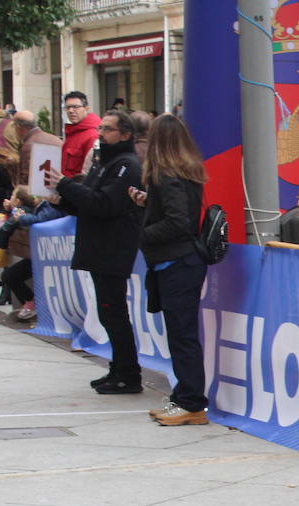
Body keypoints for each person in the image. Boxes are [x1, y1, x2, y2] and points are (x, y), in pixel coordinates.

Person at [49, 110, 143, 394]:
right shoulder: (105, 162)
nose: (101, 134)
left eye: (108, 129)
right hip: (99, 248)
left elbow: (106, 204)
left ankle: (128, 374)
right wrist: (62, 199)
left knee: (114, 313)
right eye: (101, 128)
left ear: (125, 135)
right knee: (108, 314)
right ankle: (118, 368)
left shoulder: (127, 164)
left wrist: (66, 185)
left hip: (113, 249)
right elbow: (87, 202)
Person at [130, 114, 211, 426]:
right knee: (181, 335)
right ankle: (184, 397)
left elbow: (178, 221)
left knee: (182, 336)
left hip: (177, 261)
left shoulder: (167, 174)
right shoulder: (184, 172)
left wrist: (145, 233)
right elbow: (178, 212)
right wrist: (147, 204)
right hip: (180, 261)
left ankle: (191, 402)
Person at [0, 185, 62, 322]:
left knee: (10, 275)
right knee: (9, 275)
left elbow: (38, 220)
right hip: (39, 254)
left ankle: (34, 306)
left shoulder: (48, 206)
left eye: (13, 197)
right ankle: (31, 303)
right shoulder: (41, 206)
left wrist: (16, 213)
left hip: (51, 254)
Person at [10, 110, 61, 188]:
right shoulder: (56, 139)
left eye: (13, 126)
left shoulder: (28, 147)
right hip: (58, 191)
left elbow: (26, 180)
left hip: (39, 194)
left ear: (18, 127)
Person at [60, 91, 100, 178]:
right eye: (68, 107)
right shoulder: (73, 132)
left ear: (86, 109)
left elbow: (90, 171)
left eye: (75, 107)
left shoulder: (92, 135)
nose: (71, 111)